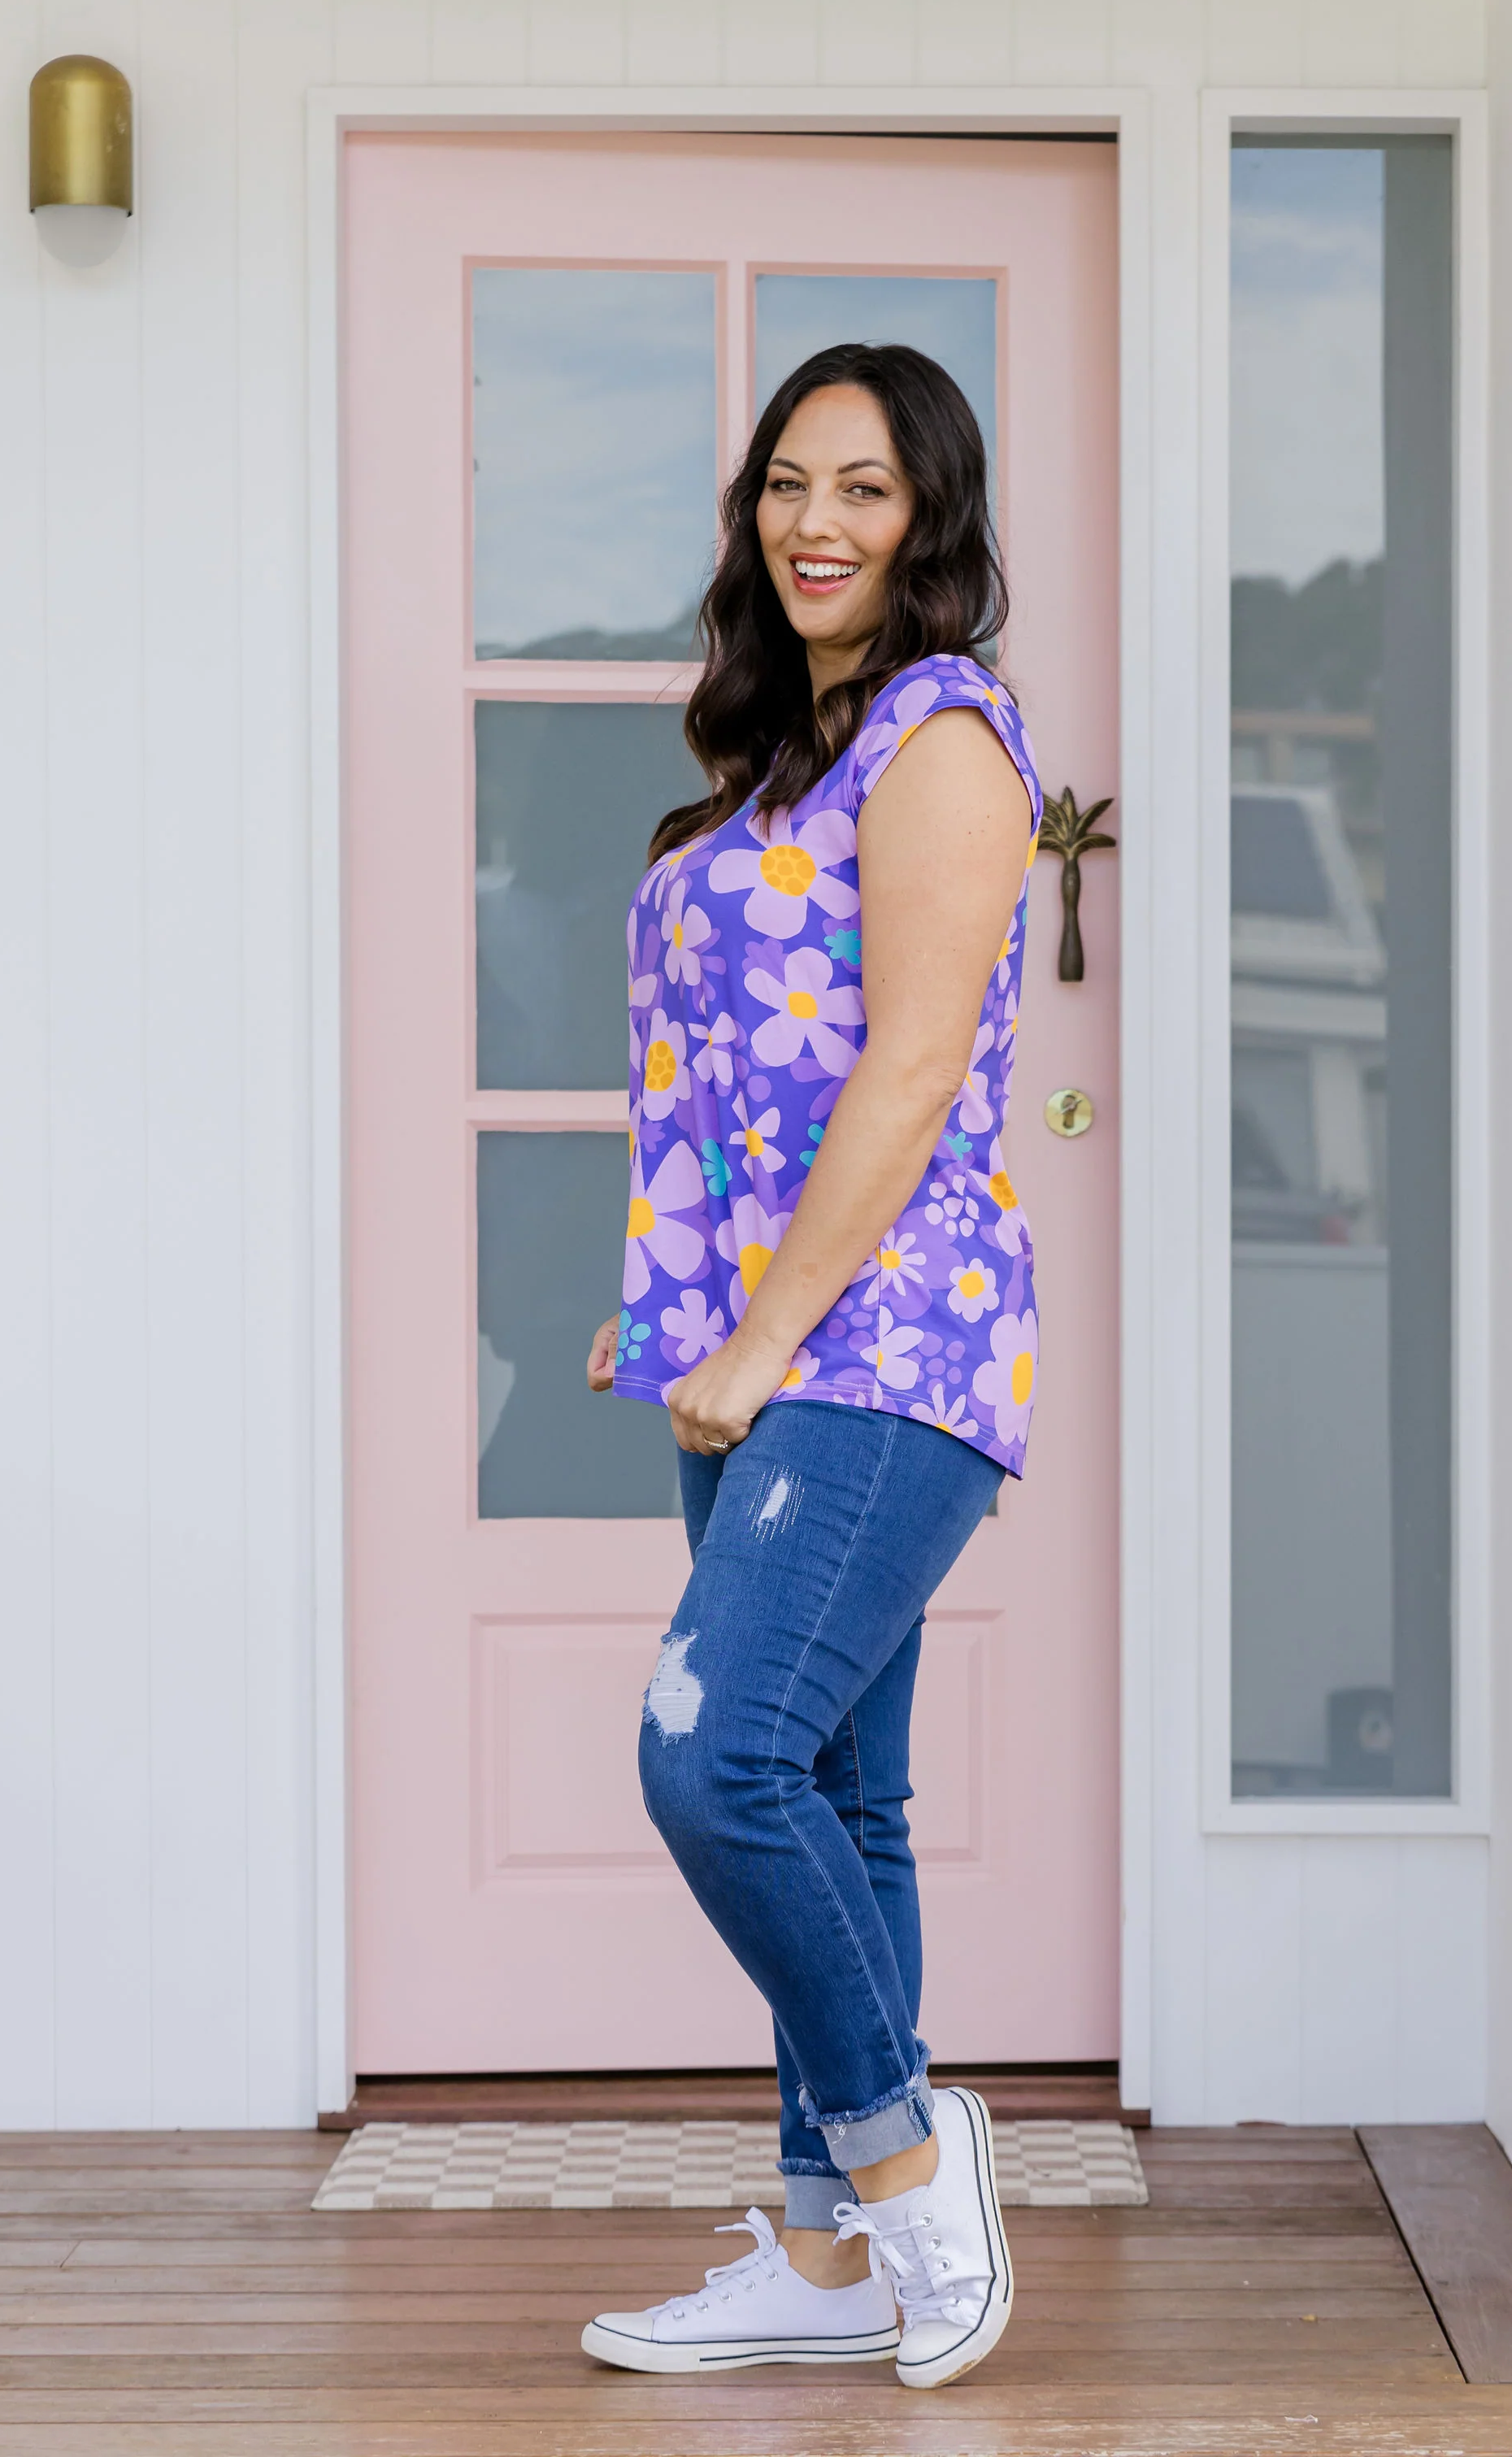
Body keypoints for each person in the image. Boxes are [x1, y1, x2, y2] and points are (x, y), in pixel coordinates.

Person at [580, 342, 1043, 2390]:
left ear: (926, 513)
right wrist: (682, 1304)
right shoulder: (782, 756)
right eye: (787, 481)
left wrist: (767, 1326)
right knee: (844, 1794)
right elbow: (726, 1079)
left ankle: (907, 2164)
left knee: (716, 1753)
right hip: (759, 1347)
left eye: (862, 486)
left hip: (889, 1344)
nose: (814, 522)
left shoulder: (943, 741)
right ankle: (832, 2261)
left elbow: (913, 1068)